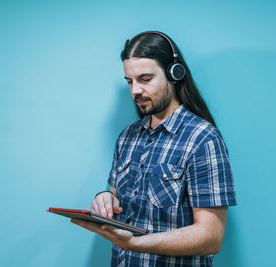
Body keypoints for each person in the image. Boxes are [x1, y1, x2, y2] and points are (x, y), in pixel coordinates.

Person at [71, 31, 237, 267]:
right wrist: (105, 198)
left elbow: (211, 237)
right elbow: (115, 196)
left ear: (174, 75)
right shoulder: (127, 137)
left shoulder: (203, 138)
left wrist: (136, 243)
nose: (135, 90)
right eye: (130, 81)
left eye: (145, 79)